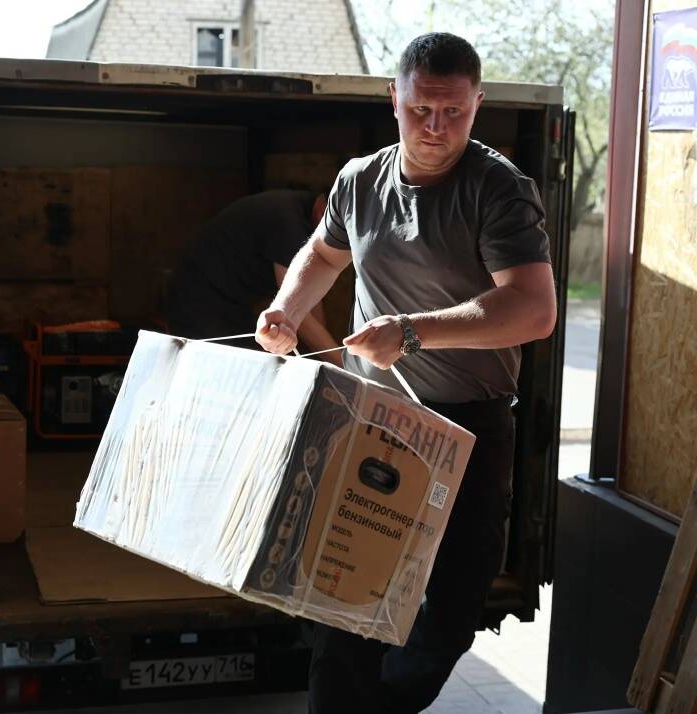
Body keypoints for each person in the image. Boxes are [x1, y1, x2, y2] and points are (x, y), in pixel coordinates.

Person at [255, 33, 557, 712]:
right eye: (421, 109)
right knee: (344, 601)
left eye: (454, 112)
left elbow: (533, 310)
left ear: (478, 103)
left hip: (468, 429)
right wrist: (285, 310)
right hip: (373, 423)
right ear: (394, 97)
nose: (436, 127)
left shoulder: (500, 189)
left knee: (451, 609)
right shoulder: (360, 180)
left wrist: (414, 332)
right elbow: (323, 255)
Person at [166, 190, 341, 363]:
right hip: (200, 298)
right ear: (324, 211)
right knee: (239, 365)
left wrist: (326, 354)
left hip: (231, 304)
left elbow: (310, 293)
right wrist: (341, 365)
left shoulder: (309, 213)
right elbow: (295, 308)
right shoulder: (288, 223)